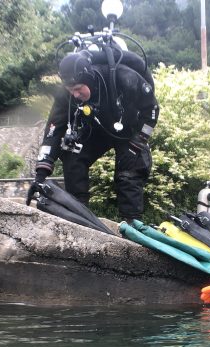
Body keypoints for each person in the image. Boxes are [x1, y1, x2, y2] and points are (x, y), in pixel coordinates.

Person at [28, 49, 159, 221]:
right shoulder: (66, 95)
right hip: (97, 130)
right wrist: (40, 176)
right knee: (72, 155)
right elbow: (54, 130)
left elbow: (152, 110)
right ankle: (78, 214)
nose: (75, 94)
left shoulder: (123, 77)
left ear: (89, 79)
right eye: (70, 89)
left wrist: (139, 141)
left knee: (130, 170)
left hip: (128, 130)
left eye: (78, 88)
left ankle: (132, 222)